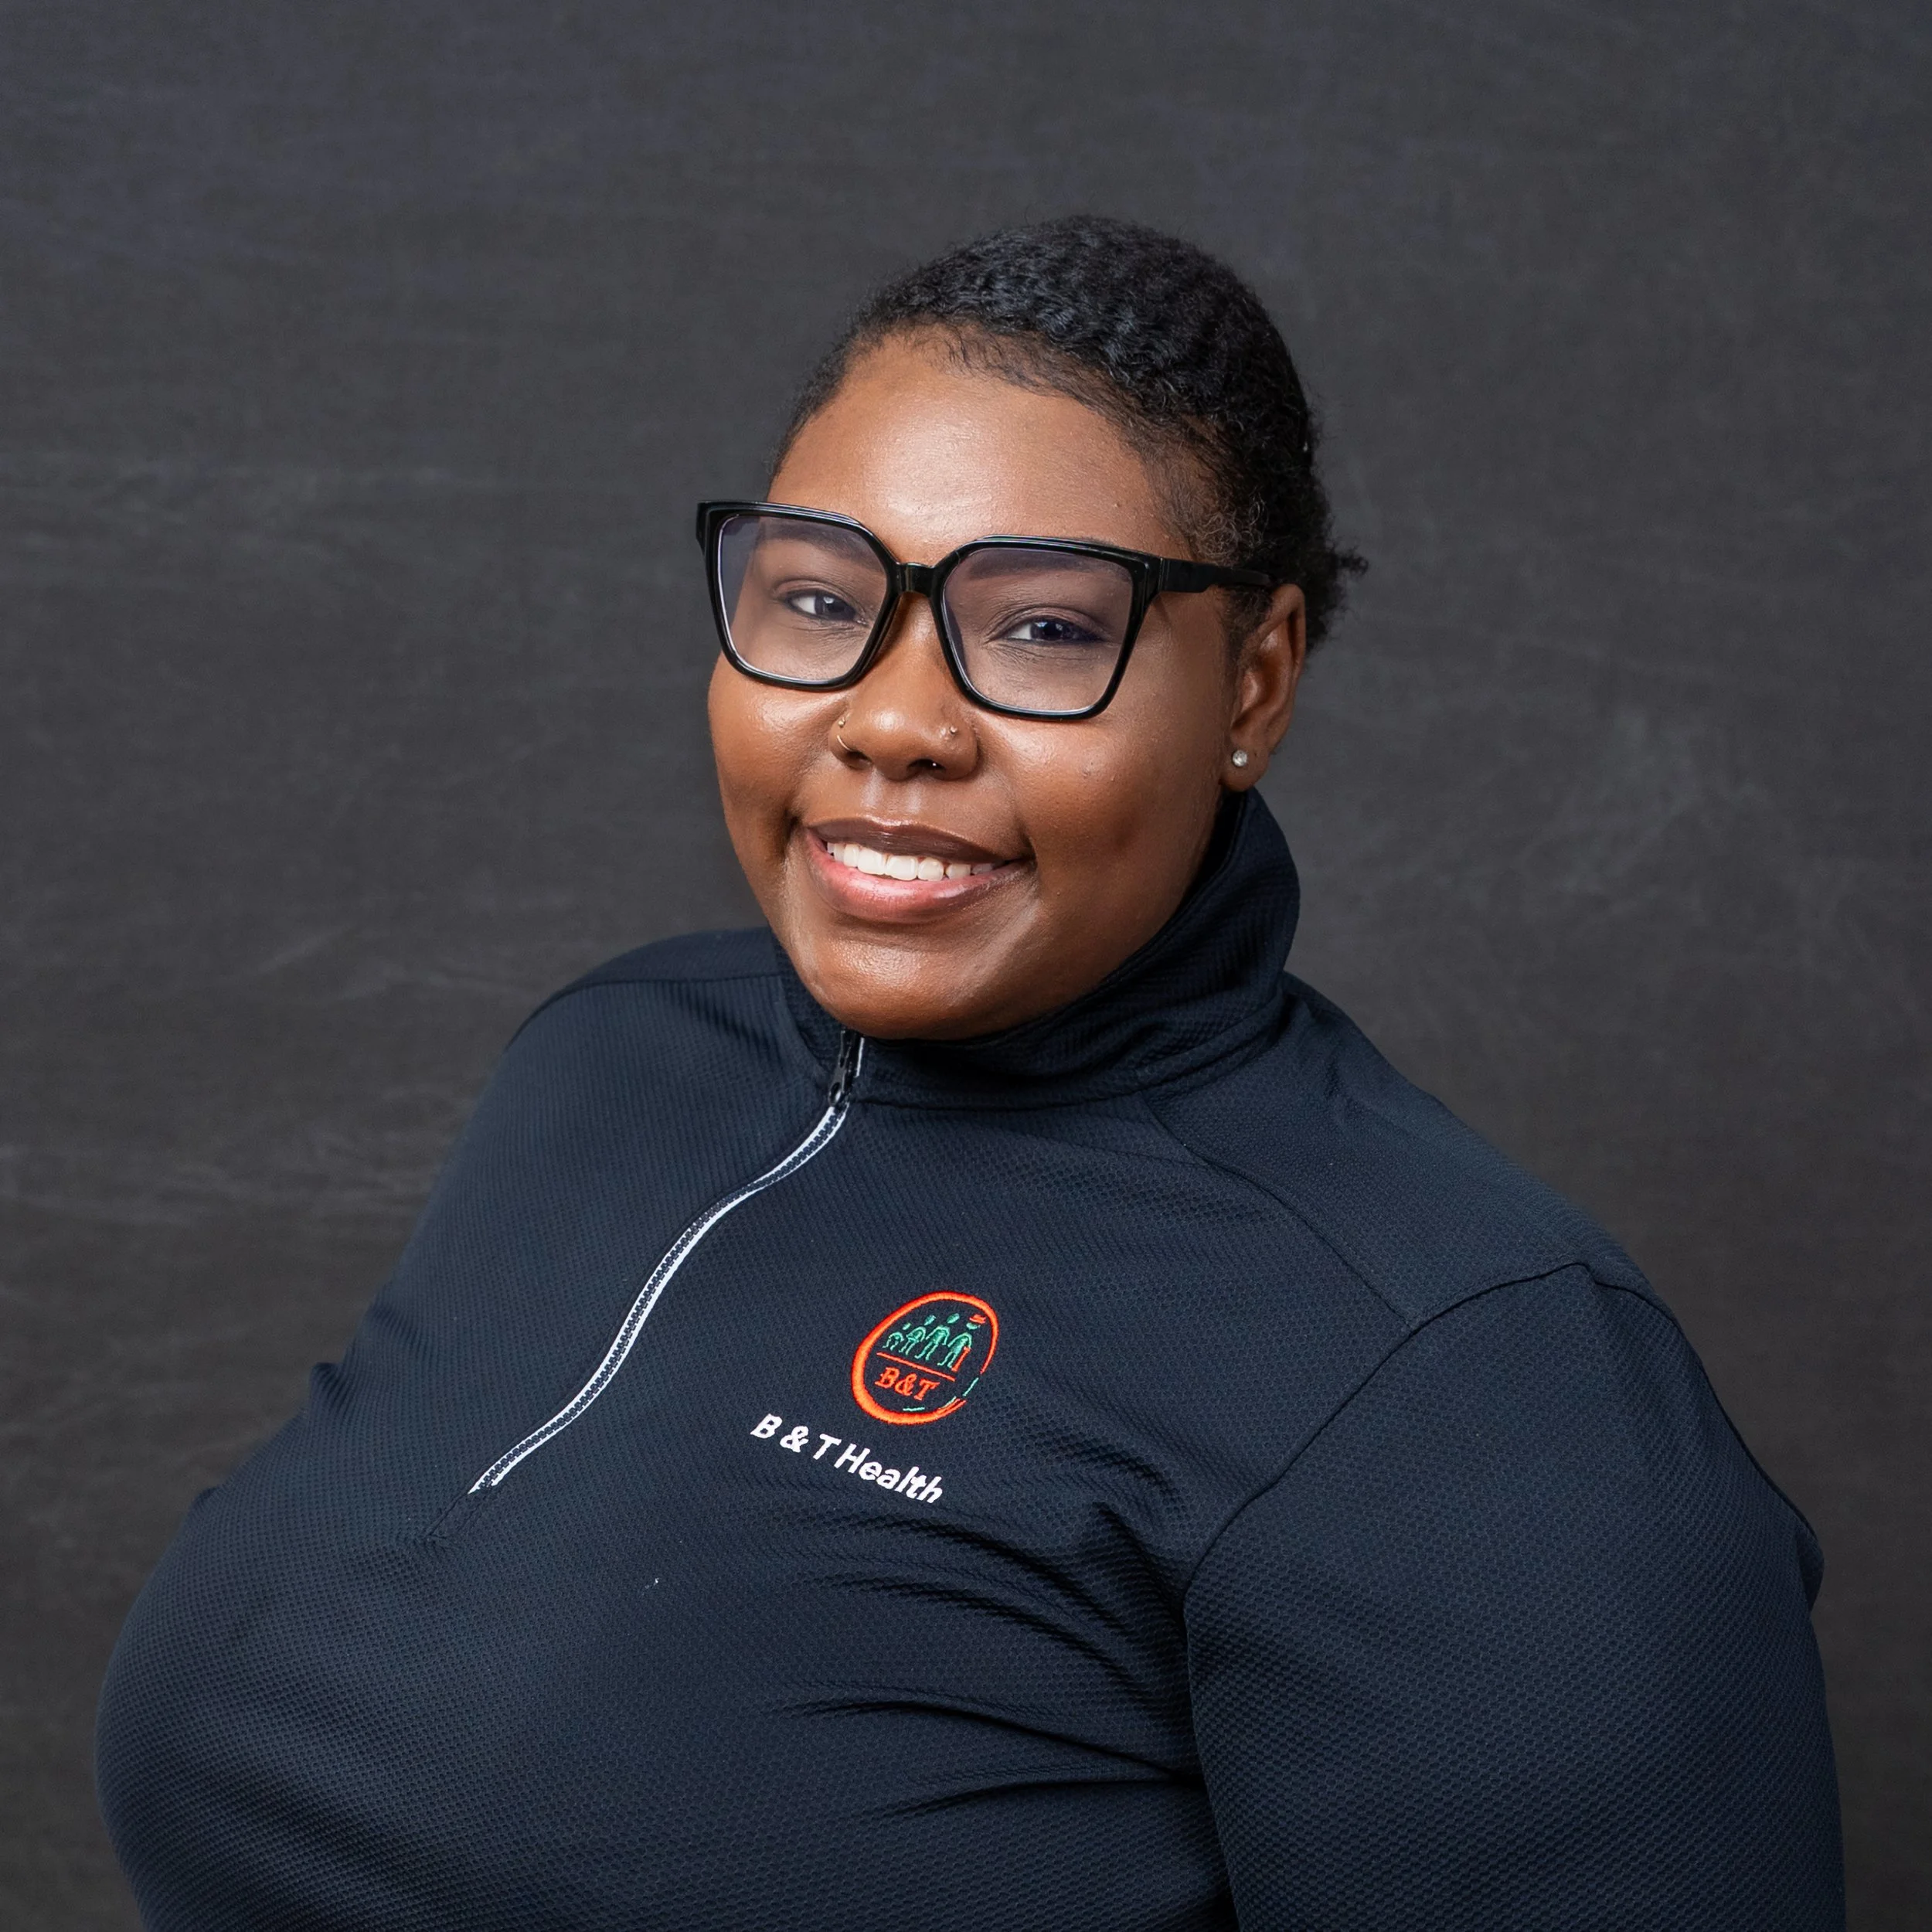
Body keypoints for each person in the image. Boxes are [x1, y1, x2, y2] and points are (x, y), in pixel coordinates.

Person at [96, 216, 1842, 1930]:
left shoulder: (1475, 1382)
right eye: (816, 597)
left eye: (1042, 630)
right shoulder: (613, 1063)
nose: (892, 720)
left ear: (1254, 683)